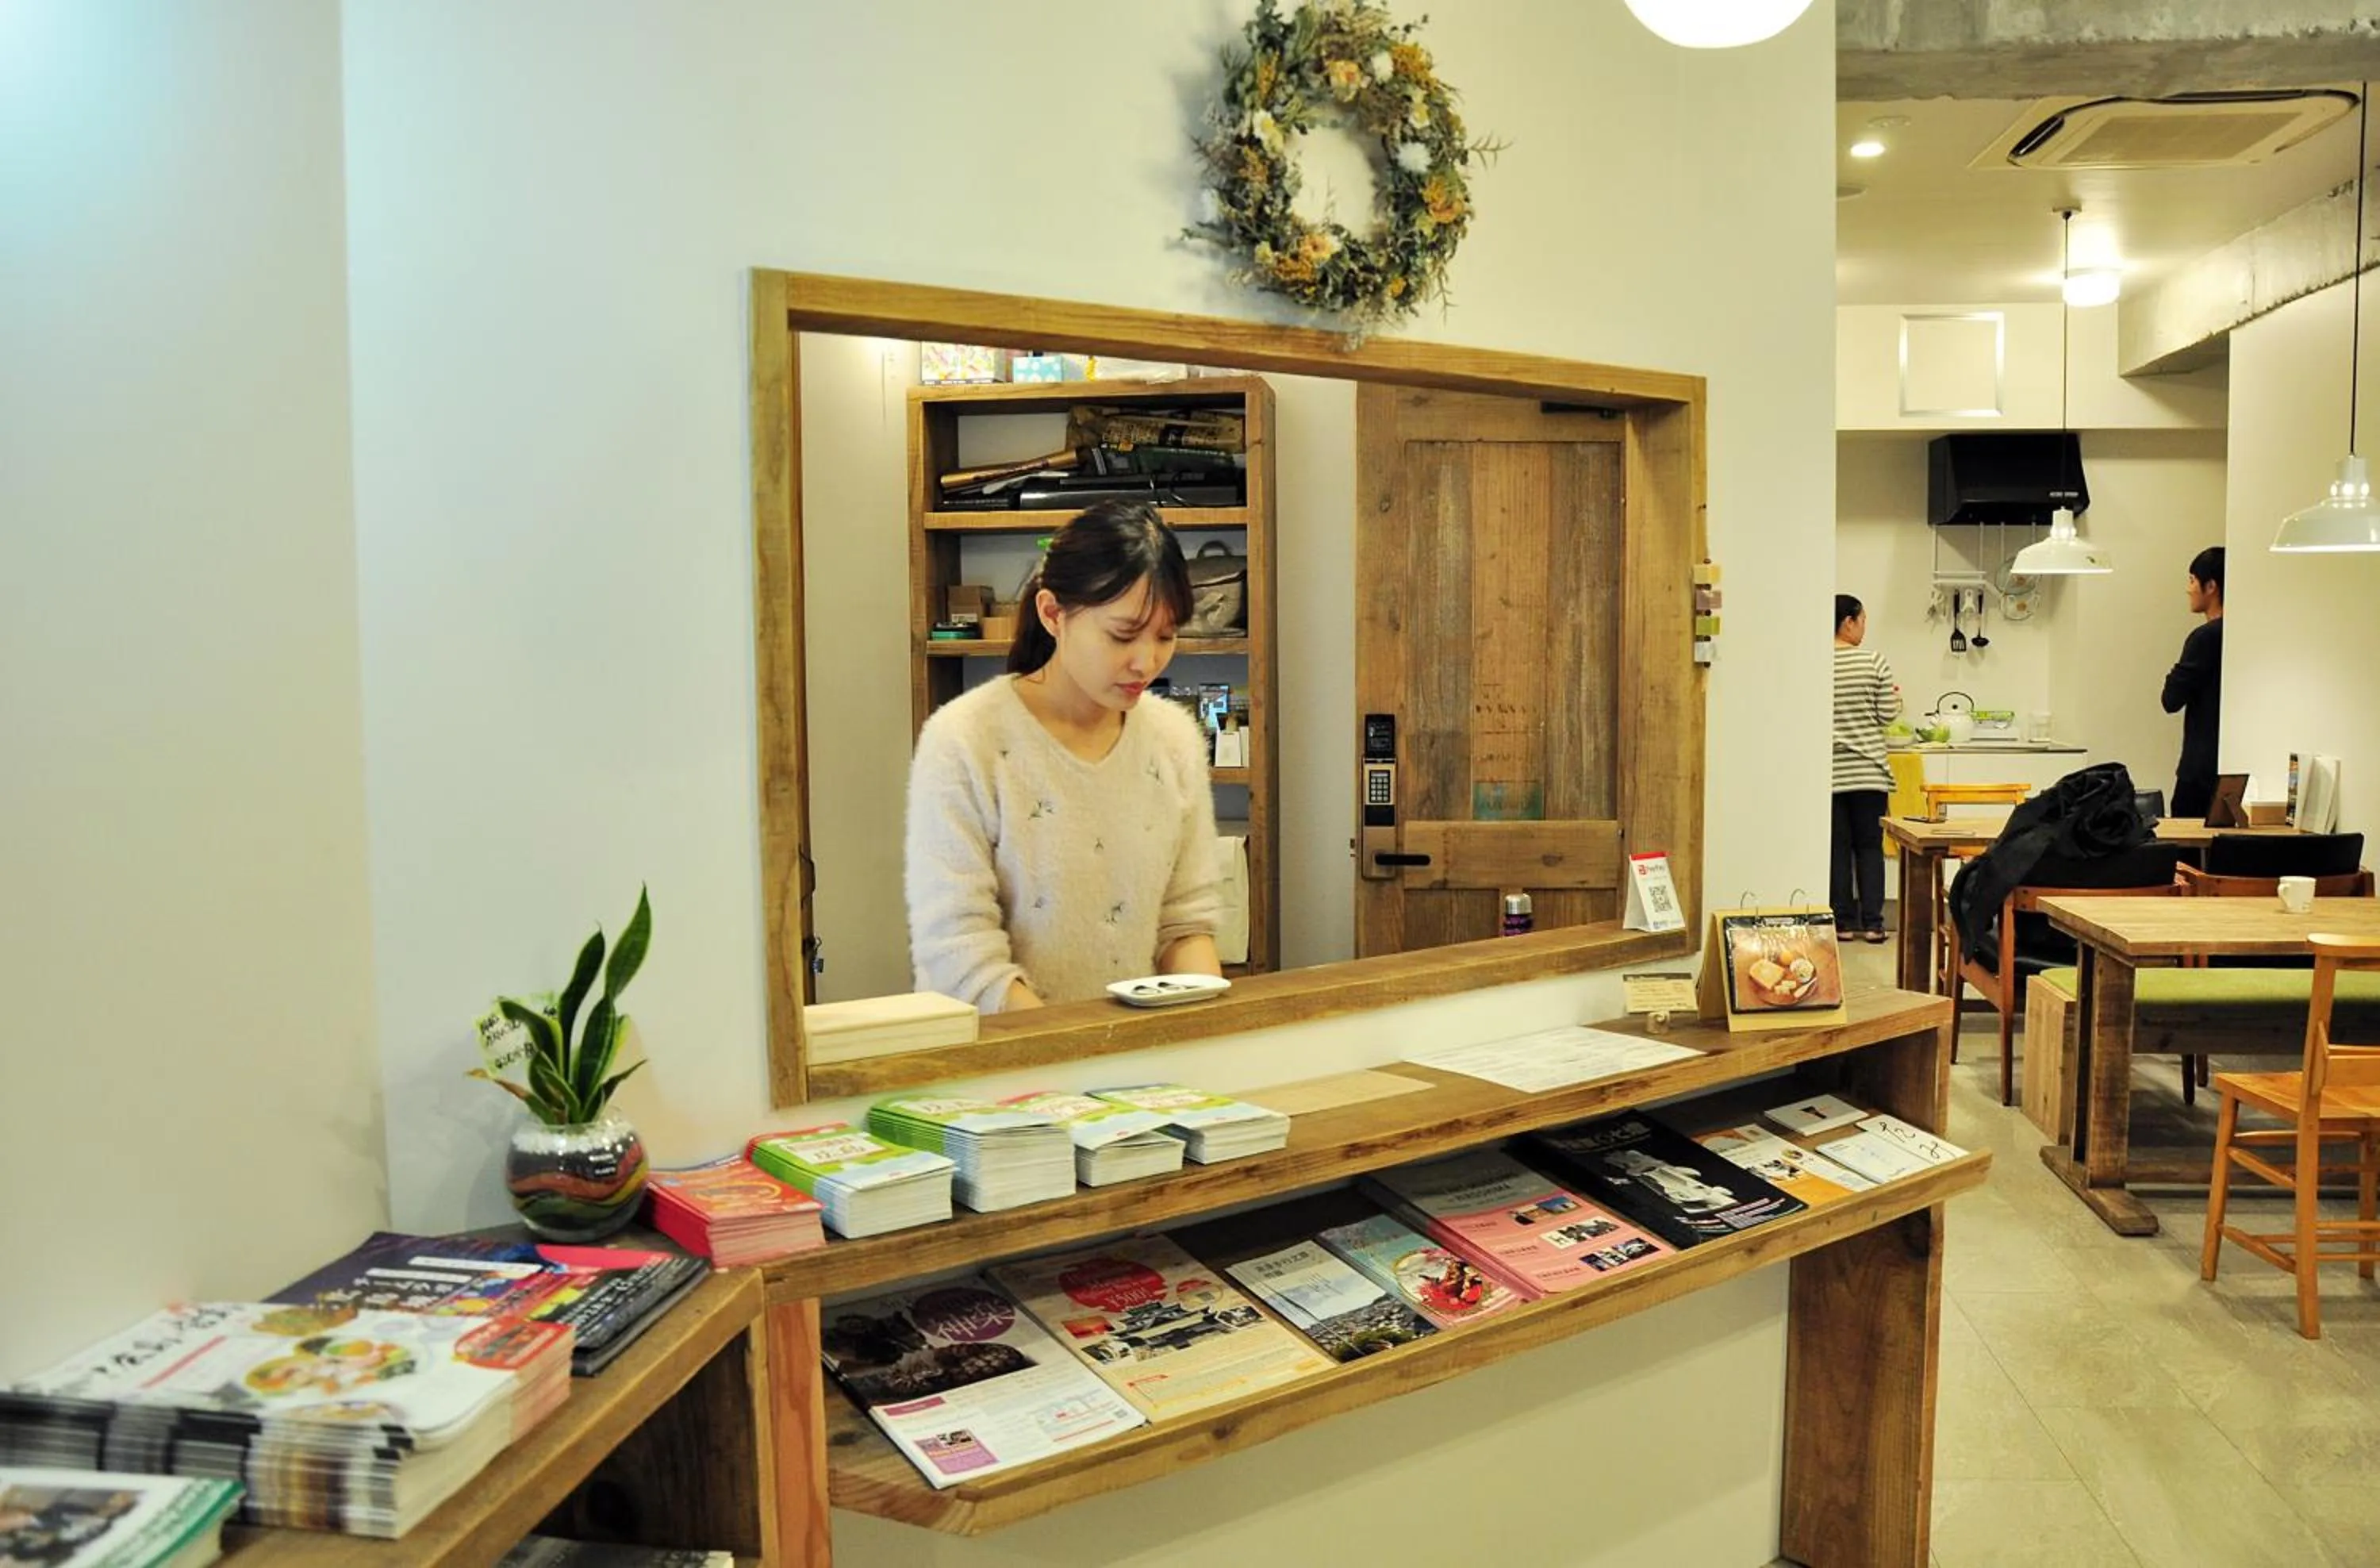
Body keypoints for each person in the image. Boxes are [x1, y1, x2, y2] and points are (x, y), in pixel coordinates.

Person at [904, 499, 1223, 1012]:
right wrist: (1068, 1060)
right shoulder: (964, 741)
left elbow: (1185, 925)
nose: (1147, 662)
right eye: (1122, 635)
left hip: (1139, 1072)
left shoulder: (1174, 738)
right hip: (999, 1065)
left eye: (1165, 636)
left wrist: (1202, 1033)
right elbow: (958, 953)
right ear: (1053, 614)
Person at [1830, 594, 1898, 944]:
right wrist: (1895, 700)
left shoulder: (1816, 664)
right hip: (1869, 772)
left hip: (1830, 774)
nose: (1864, 629)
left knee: (1837, 849)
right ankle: (1873, 924)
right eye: (1863, 621)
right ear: (1849, 622)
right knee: (1870, 848)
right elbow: (1887, 715)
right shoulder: (1874, 663)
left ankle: (1841, 924)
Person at [2161, 545, 2224, 819]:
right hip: (2231, 771)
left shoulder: (2205, 637)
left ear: (2210, 586)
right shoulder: (2247, 633)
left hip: (2199, 772)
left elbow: (2171, 699)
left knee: (2186, 856)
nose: (2188, 589)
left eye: (2191, 580)